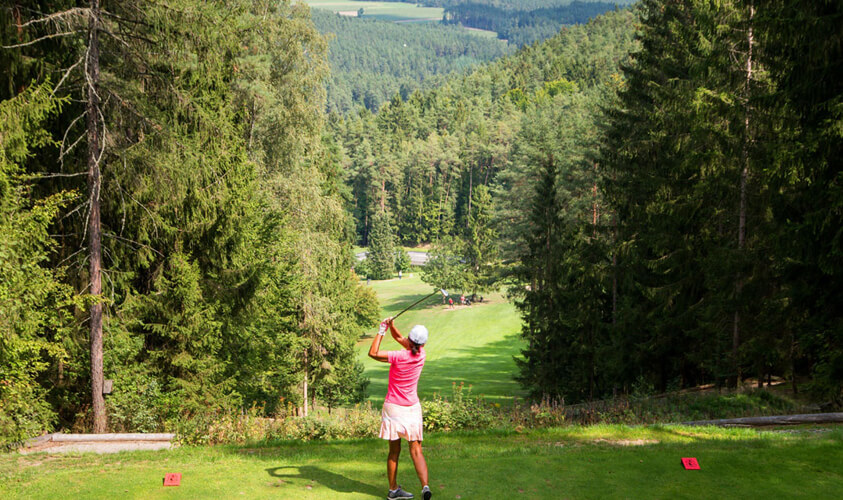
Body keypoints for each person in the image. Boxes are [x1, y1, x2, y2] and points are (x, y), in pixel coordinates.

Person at [368, 318, 432, 500]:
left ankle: (393, 490)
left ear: (411, 340)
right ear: (423, 343)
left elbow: (373, 352)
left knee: (394, 451)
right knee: (416, 450)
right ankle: (425, 487)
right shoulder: (421, 354)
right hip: (412, 408)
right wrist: (392, 327)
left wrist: (382, 330)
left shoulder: (398, 356)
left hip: (394, 408)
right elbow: (401, 339)